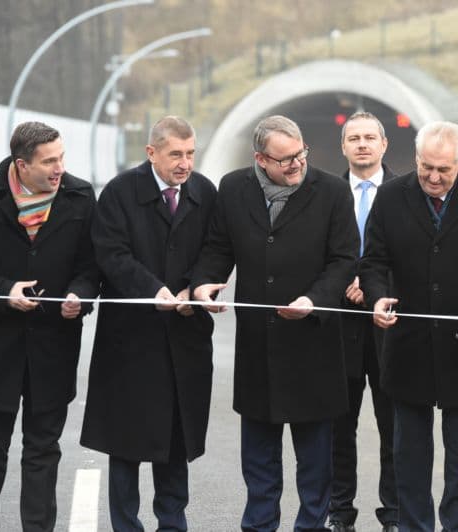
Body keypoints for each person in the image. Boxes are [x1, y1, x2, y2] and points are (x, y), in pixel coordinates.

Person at [191, 115, 358, 530]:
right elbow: (217, 247)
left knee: (316, 458)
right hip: (258, 345)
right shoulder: (233, 188)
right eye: (284, 160)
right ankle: (259, 524)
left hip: (313, 342)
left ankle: (311, 525)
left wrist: (315, 300)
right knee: (259, 455)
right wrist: (203, 285)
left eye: (300, 155)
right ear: (260, 159)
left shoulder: (333, 192)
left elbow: (344, 260)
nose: (296, 165)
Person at [359, 120, 458, 531]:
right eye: (426, 167)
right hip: (407, 346)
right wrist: (376, 297)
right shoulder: (391, 196)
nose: (434, 177)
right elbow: (373, 260)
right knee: (409, 455)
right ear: (415, 158)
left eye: (444, 169)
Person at [80, 116, 217, 531]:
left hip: (185, 335)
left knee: (176, 440)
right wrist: (152, 289)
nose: (185, 163)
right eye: (176, 154)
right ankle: (126, 524)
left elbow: (215, 248)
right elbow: (111, 253)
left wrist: (198, 288)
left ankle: (172, 523)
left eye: (190, 153)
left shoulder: (204, 192)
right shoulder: (121, 192)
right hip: (131, 339)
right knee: (125, 442)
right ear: (151, 152)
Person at [0, 121, 98, 531]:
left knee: (42, 448)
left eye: (61, 157)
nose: (60, 168)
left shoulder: (79, 195)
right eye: (49, 161)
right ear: (21, 165)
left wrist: (80, 297)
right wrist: (4, 290)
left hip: (54, 343)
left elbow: (90, 267)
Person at [329, 111, 398, 532]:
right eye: (353, 138)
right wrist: (345, 283)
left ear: (384, 144)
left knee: (394, 427)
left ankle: (393, 513)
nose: (362, 145)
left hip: (388, 324)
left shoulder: (405, 193)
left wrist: (373, 288)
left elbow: (410, 257)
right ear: (343, 147)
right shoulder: (327, 194)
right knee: (340, 426)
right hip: (340, 326)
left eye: (370, 137)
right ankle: (340, 512)